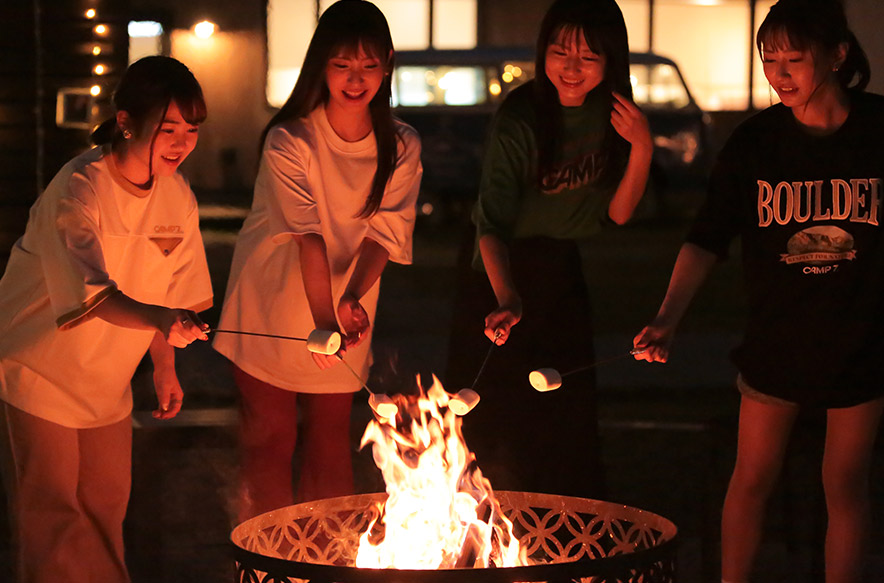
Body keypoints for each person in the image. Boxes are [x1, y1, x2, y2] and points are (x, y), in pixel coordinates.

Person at [633, 1, 884, 581]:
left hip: (861, 340)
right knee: (750, 479)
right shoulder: (755, 144)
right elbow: (707, 238)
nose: (778, 73)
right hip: (778, 341)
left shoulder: (878, 132)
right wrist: (668, 317)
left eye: (793, 59)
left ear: (838, 54)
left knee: (845, 485)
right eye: (769, 59)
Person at [0, 55, 213, 583]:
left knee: (104, 514)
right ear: (126, 121)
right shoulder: (79, 187)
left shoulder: (177, 195)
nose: (181, 142)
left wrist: (165, 365)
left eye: (191, 130)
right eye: (168, 129)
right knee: (52, 520)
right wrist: (161, 320)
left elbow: (174, 291)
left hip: (108, 383)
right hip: (38, 370)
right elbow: (92, 294)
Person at [213, 0, 422, 519]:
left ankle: (325, 561)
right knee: (269, 442)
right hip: (271, 304)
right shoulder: (291, 140)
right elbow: (308, 238)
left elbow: (385, 235)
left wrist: (351, 298)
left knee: (331, 445)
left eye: (369, 66)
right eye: (342, 65)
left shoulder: (400, 144)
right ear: (320, 64)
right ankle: (268, 563)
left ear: (388, 63)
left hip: (345, 307)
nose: (356, 80)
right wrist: (326, 319)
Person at [445, 0, 651, 498]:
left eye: (588, 55)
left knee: (566, 422)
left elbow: (619, 213)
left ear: (611, 59)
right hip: (497, 274)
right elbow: (489, 224)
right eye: (560, 51)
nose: (571, 67)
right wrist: (508, 299)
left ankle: (566, 550)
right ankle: (479, 547)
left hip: (560, 272)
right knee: (488, 426)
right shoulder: (521, 117)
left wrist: (642, 146)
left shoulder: (615, 115)